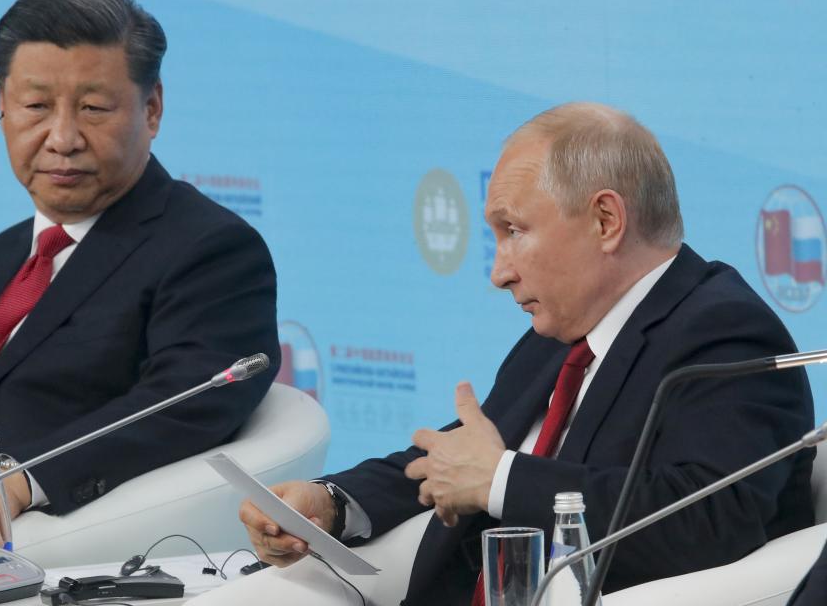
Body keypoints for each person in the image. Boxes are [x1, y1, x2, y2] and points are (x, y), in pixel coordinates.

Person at [239, 102, 813, 604]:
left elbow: (710, 518)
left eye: (513, 230)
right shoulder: (560, 334)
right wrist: (332, 503)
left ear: (605, 220)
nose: (498, 273)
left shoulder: (725, 333)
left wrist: (502, 481)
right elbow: (459, 458)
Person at [0, 0, 280, 550]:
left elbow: (186, 399)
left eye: (93, 108)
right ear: (2, 105)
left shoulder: (209, 251)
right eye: (36, 106)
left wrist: (15, 480)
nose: (62, 138)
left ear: (151, 108)